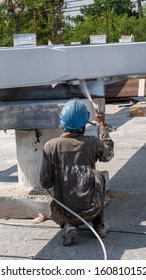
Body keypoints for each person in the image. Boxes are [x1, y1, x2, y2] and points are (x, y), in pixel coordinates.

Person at [40, 99, 114, 246]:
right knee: (98, 176)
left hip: (65, 212)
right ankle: (99, 225)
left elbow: (45, 182)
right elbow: (108, 154)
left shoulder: (50, 146)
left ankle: (68, 226)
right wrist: (101, 126)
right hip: (92, 210)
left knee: (52, 206)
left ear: (63, 122)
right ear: (85, 122)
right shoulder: (93, 143)